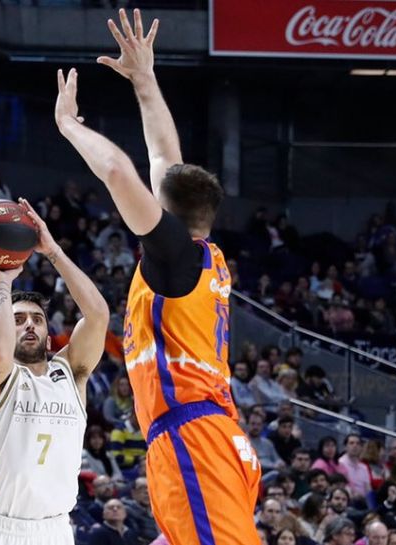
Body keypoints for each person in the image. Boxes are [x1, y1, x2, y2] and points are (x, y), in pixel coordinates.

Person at [64, 11, 260, 543]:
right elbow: (163, 159)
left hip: (194, 438)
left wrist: (69, 125)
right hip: (204, 434)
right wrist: (145, 82)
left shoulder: (174, 260)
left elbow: (118, 171)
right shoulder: (201, 256)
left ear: (165, 212)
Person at [0, 194, 108, 543]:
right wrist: (1, 284)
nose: (29, 325)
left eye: (37, 320)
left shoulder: (71, 372)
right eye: (18, 320)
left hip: (54, 529)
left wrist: (52, 251)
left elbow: (98, 315)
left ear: (49, 335)